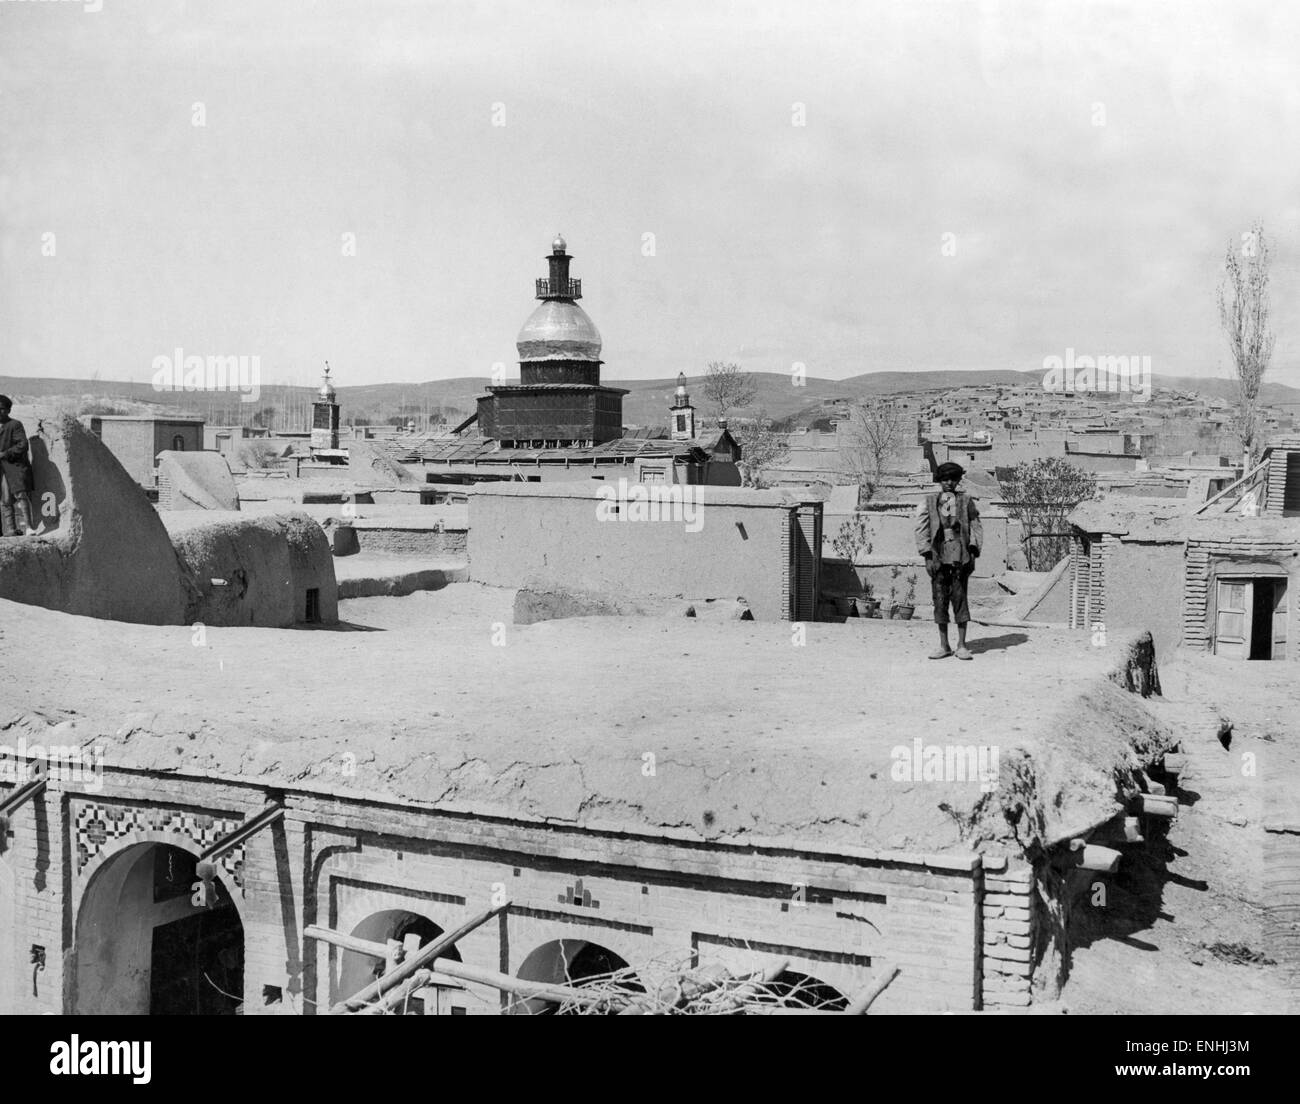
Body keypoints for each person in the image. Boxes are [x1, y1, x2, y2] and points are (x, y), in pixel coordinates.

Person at [915, 461, 981, 660]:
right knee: (940, 600)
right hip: (938, 557)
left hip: (960, 557)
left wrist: (973, 550)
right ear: (939, 481)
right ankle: (944, 645)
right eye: (945, 479)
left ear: (959, 480)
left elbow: (976, 526)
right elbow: (922, 529)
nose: (949, 483)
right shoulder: (929, 502)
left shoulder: (966, 501)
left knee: (960, 599)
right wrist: (927, 555)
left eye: (953, 479)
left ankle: (961, 645)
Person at [0, 395, 38, 537]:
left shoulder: (15, 425)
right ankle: (11, 529)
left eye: (2, 409)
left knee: (21, 494)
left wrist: (5, 454)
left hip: (14, 466)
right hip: (2, 469)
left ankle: (29, 527)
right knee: (5, 499)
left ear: (8, 410)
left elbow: (22, 445)